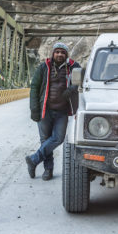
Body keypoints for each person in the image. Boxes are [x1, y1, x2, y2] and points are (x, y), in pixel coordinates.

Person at [25, 42, 81, 181]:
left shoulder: (73, 67)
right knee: (45, 140)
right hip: (45, 110)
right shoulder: (44, 67)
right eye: (57, 52)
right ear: (53, 53)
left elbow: (82, 78)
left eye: (63, 52)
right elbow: (34, 88)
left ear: (66, 54)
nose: (60, 54)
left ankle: (33, 159)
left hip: (62, 111)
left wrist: (72, 88)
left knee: (58, 138)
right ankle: (48, 170)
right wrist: (34, 109)